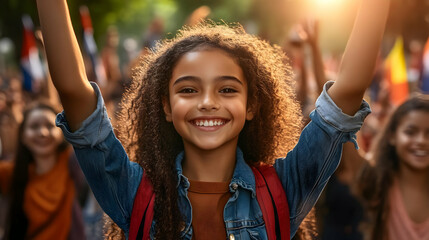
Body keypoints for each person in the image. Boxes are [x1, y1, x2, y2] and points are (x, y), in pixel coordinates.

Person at [35, 0, 389, 239]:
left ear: (251, 106)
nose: (207, 103)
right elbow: (73, 90)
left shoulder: (284, 188)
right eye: (188, 90)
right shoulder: (135, 193)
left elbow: (349, 89)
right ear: (166, 106)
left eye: (227, 90)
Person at [0, 102, 86, 239]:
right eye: (34, 127)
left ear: (61, 131)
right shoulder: (12, 171)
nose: (42, 132)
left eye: (50, 126)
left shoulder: (72, 162)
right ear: (22, 135)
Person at [357, 95, 429, 240]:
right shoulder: (376, 179)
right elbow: (340, 121)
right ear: (392, 136)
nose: (421, 141)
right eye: (410, 132)